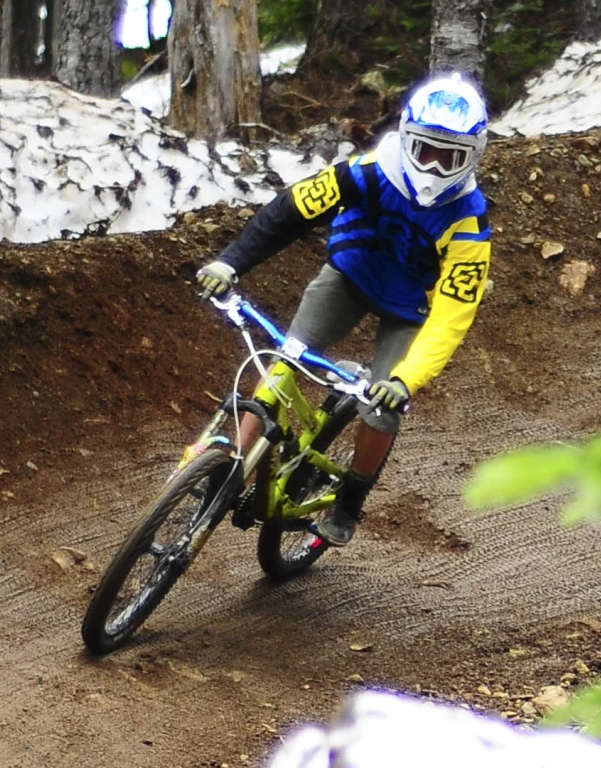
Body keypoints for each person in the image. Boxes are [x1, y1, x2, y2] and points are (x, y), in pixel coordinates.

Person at [194, 74, 492, 545]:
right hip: (348, 279)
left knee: (382, 410)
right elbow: (291, 210)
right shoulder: (369, 170)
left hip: (410, 310)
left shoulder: (469, 222)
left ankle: (351, 498)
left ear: (471, 157)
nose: (433, 167)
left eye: (449, 157)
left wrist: (402, 381)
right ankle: (231, 460)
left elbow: (451, 316)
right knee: (286, 356)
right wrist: (229, 262)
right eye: (424, 150)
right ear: (407, 139)